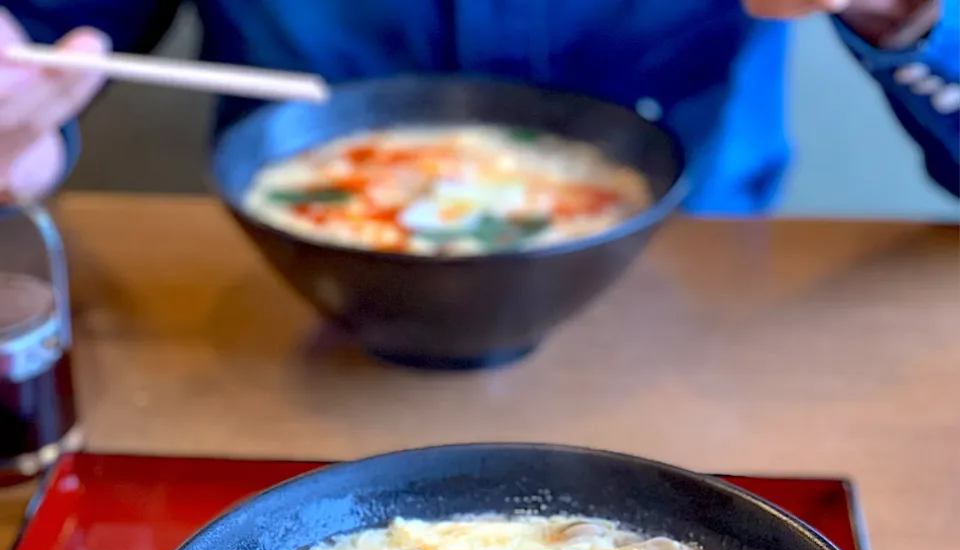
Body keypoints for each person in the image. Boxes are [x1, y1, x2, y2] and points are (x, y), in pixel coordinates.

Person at [0, 0, 957, 212]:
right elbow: (48, 30)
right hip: (285, 314)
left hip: (704, 305)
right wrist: (20, 122)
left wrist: (902, 10)